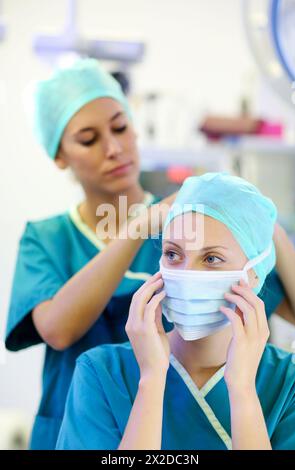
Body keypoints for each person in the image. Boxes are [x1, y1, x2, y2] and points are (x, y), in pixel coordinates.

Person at [56, 173, 295, 450]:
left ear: (255, 274)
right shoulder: (102, 372)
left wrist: (242, 390)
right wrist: (151, 380)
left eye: (211, 259)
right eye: (173, 254)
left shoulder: (291, 383)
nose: (186, 274)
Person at [5, 58, 176, 450]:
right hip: (71, 435)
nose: (114, 148)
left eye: (120, 127)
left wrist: (264, 223)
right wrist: (138, 227)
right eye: (89, 139)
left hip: (166, 437)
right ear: (60, 156)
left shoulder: (184, 229)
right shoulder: (46, 239)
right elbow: (58, 329)